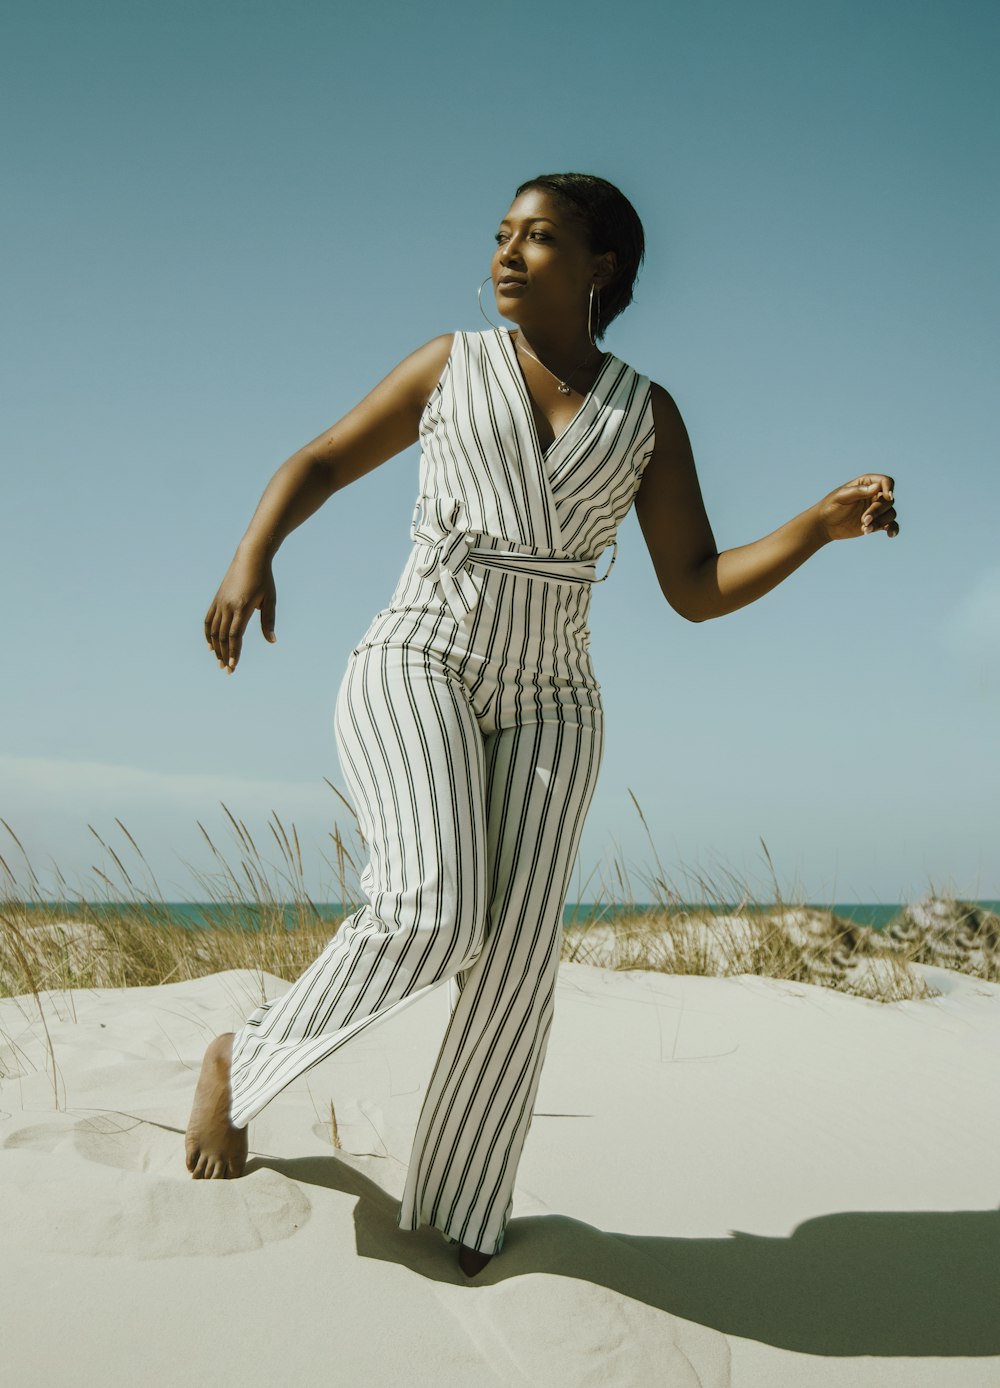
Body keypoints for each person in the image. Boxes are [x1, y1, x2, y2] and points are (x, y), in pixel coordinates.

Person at [185, 172, 899, 1278]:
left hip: (555, 693)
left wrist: (813, 526)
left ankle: (458, 1210)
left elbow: (696, 584)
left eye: (541, 238)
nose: (509, 254)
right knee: (429, 905)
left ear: (601, 265)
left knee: (516, 961)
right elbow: (321, 457)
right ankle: (245, 1060)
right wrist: (252, 553)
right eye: (503, 235)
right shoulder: (449, 362)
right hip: (417, 652)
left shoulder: (644, 413)